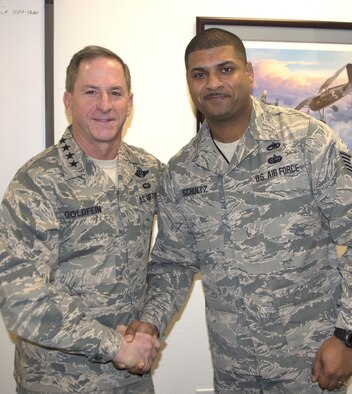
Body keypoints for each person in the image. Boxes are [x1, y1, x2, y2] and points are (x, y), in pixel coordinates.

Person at [126, 29, 352, 393]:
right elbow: (174, 263)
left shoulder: (308, 140)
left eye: (225, 69)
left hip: (312, 367)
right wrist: (151, 323)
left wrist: (347, 337)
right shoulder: (182, 171)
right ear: (189, 82)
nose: (213, 83)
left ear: (248, 73)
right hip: (235, 372)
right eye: (199, 74)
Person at [0, 45, 163, 393]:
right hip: (58, 382)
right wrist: (116, 345)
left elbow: (177, 253)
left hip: (132, 381)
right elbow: (21, 299)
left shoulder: (148, 172)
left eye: (115, 93)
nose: (105, 104)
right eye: (91, 91)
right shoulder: (36, 183)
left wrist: (151, 324)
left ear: (129, 103)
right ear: (68, 101)